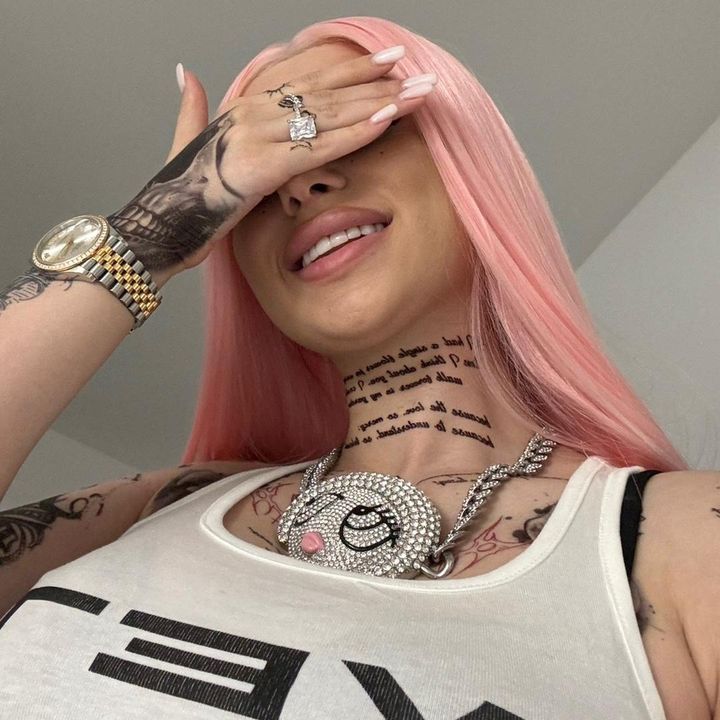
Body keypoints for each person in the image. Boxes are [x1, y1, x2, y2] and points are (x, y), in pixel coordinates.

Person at [0, 15, 716, 720]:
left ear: (470, 163)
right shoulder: (161, 508)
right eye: (254, 173)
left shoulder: (683, 537)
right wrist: (152, 227)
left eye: (354, 121)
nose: (297, 183)